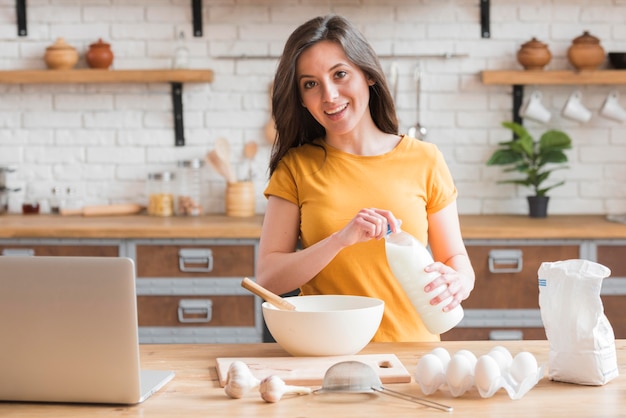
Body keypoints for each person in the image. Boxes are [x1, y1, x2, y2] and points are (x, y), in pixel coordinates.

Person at [256, 14, 475, 342]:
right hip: (326, 352)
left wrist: (458, 281)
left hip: (413, 354)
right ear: (302, 98)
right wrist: (340, 239)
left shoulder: (424, 159)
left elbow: (456, 260)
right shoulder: (296, 167)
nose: (329, 95)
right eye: (311, 84)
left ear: (368, 75)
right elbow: (268, 280)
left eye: (340, 74)